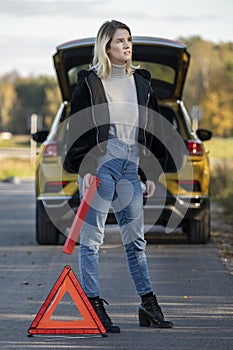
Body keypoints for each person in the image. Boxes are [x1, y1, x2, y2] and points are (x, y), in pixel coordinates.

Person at [64, 19, 173, 332]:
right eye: (120, 41)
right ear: (106, 47)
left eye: (129, 40)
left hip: (130, 165)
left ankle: (148, 306)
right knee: (92, 239)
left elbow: (150, 127)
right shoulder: (91, 82)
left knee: (135, 240)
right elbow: (78, 128)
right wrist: (85, 168)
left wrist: (149, 169)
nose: (127, 46)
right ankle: (94, 305)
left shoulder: (140, 81)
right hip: (102, 164)